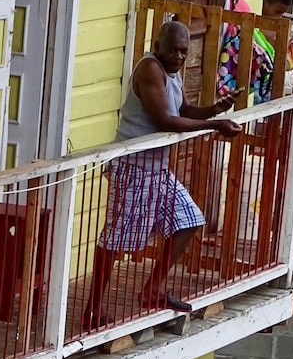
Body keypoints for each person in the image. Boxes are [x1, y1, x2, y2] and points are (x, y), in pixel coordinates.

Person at [82, 21, 243, 330]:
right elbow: (166, 120)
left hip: (157, 169)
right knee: (115, 240)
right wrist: (215, 126)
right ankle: (92, 309)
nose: (179, 56)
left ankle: (152, 289)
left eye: (184, 51)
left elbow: (183, 110)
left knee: (190, 221)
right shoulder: (151, 69)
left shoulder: (173, 72)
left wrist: (214, 110)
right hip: (133, 167)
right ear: (158, 44)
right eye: (173, 50)